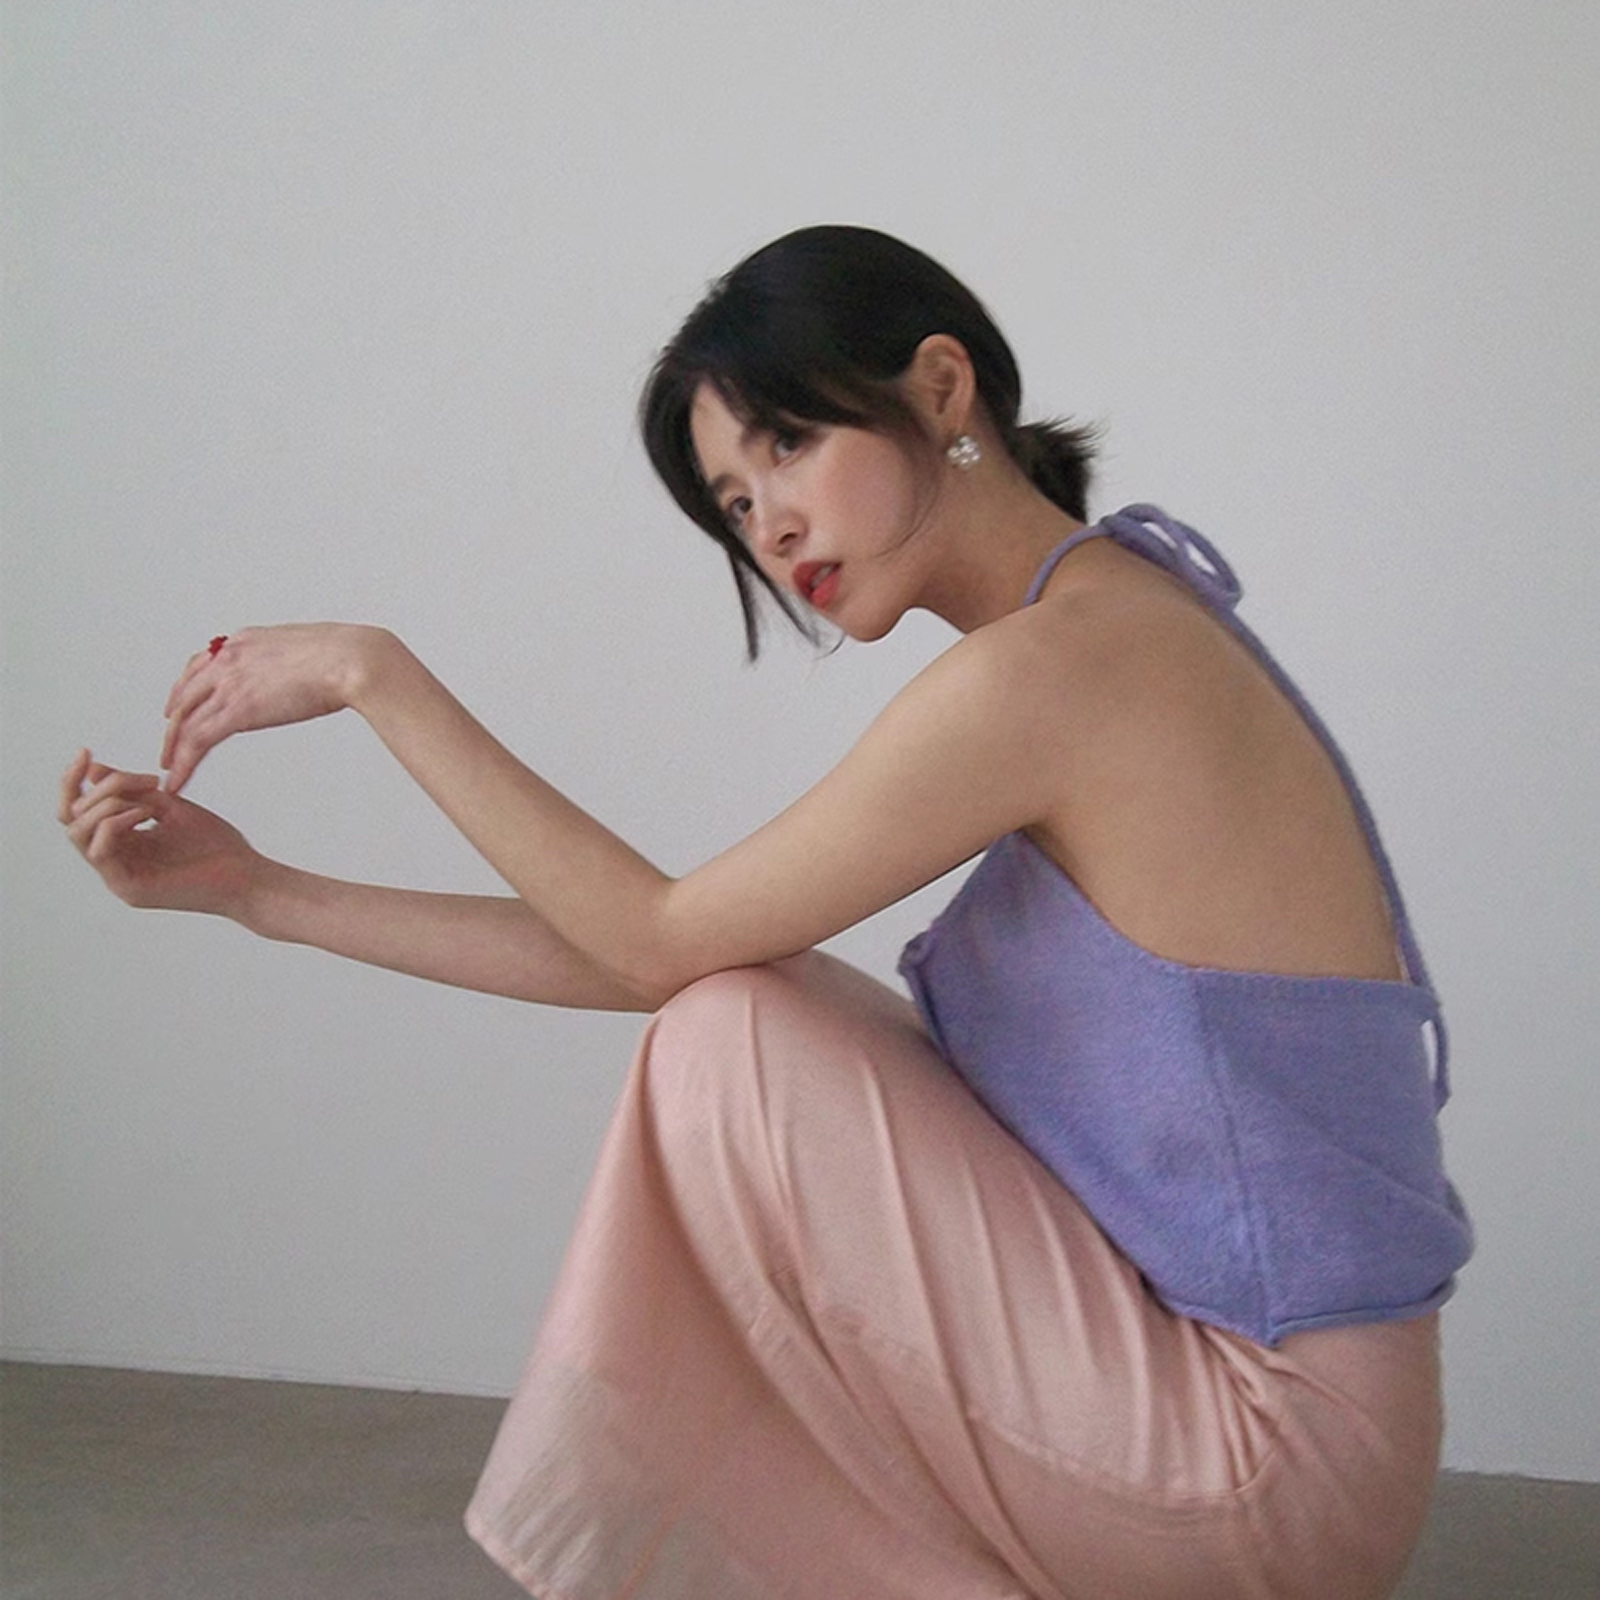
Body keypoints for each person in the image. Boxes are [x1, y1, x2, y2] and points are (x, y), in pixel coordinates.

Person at [60, 225, 1471, 1600]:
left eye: (788, 444)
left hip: (1269, 1458)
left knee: (730, 1033)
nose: (771, 524)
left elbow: (652, 942)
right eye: (734, 502)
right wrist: (258, 893)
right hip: (1266, 1419)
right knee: (742, 1011)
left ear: (941, 388)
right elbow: (659, 955)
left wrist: (377, 678)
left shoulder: (1061, 666)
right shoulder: (1112, 618)